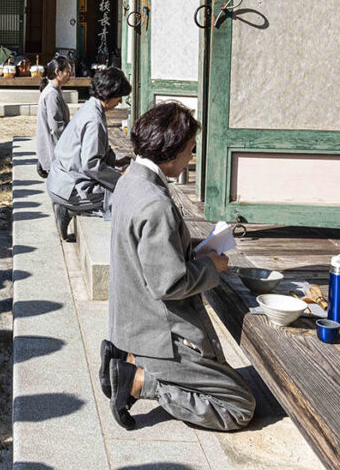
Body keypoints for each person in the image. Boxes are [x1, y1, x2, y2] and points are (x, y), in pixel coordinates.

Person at [103, 102, 254, 432]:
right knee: (239, 405)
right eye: (190, 149)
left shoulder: (130, 180)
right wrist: (211, 265)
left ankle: (126, 361)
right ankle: (138, 380)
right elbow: (167, 284)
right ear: (171, 152)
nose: (192, 157)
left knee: (222, 375)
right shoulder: (156, 204)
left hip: (132, 321)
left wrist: (193, 254)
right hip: (157, 333)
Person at [46, 65, 131, 241]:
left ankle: (70, 207)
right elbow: (90, 164)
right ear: (109, 94)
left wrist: (115, 163)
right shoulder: (94, 120)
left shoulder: (89, 107)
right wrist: (120, 178)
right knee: (123, 194)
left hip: (59, 179)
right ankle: (70, 208)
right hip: (70, 188)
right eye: (119, 96)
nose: (119, 102)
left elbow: (84, 153)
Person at [35, 55, 74, 178]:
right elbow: (56, 127)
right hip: (54, 146)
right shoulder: (52, 93)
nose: (70, 75)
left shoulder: (54, 91)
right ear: (58, 72)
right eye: (67, 72)